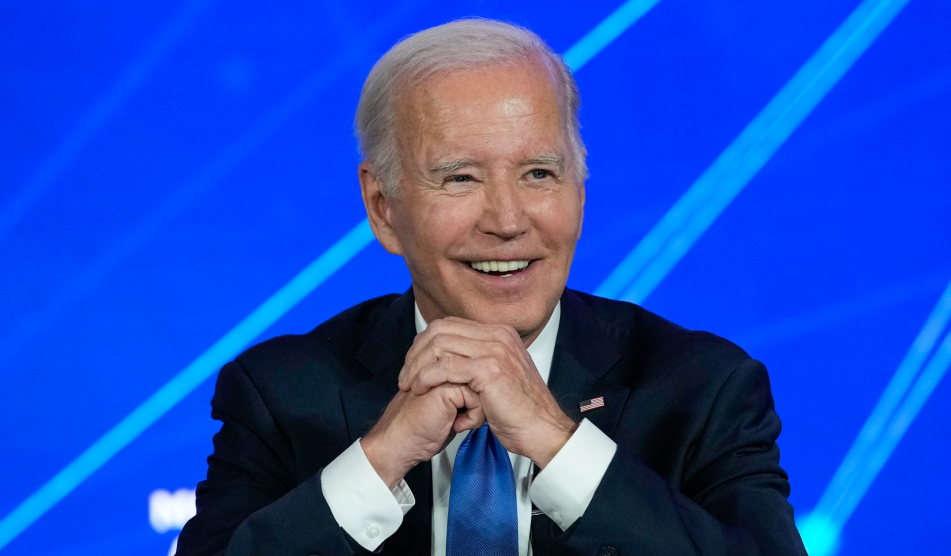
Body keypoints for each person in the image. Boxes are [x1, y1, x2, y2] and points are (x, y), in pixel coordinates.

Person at [176, 18, 808, 556]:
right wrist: (378, 460)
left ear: (580, 193)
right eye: (460, 179)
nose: (507, 221)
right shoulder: (280, 394)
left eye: (538, 173)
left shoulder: (703, 388)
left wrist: (557, 444)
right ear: (382, 207)